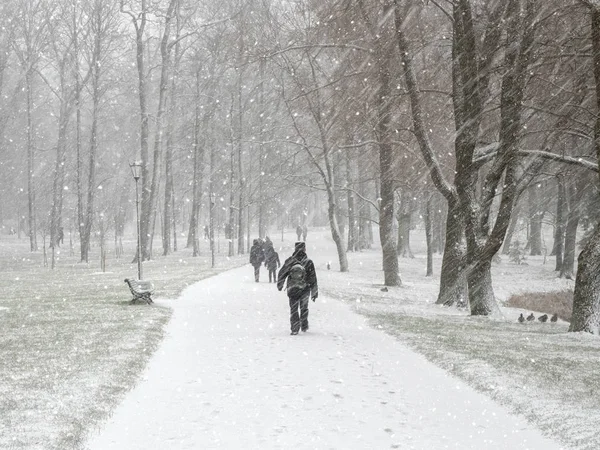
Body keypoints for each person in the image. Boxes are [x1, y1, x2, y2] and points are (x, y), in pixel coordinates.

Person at [277, 241, 318, 335]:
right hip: (305, 289)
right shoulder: (308, 262)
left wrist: (280, 284)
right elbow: (313, 278)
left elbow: (282, 273)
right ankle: (304, 325)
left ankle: (295, 329)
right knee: (304, 307)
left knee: (294, 309)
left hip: (293, 289)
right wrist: (314, 292)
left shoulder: (290, 261)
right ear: (305, 249)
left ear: (295, 249)